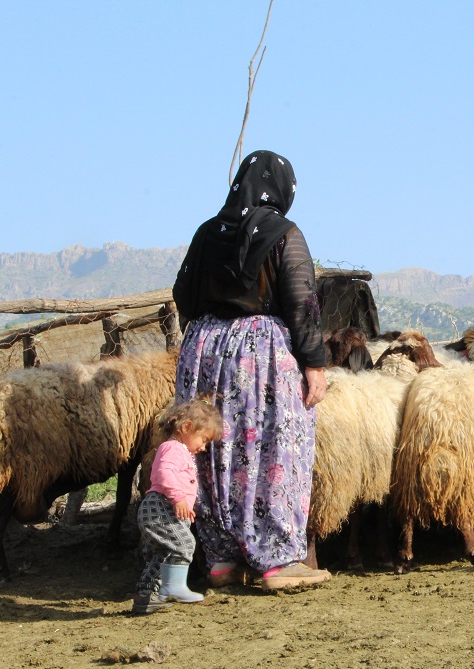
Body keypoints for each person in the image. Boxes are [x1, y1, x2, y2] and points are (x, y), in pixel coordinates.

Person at [172, 150, 331, 591]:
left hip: (203, 350)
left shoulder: (207, 232)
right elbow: (303, 302)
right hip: (259, 355)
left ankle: (221, 559)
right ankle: (276, 560)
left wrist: (211, 327)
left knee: (214, 451)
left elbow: (183, 293)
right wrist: (314, 363)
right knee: (274, 448)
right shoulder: (284, 233)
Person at [133, 399, 224, 615]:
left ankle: (146, 597)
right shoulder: (173, 448)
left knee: (161, 554)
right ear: (186, 427)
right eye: (203, 440)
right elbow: (164, 474)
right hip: (160, 507)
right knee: (184, 543)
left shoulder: (178, 450)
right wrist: (178, 499)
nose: (203, 447)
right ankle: (174, 587)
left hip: (159, 509)